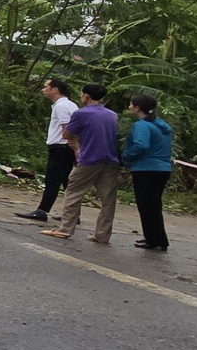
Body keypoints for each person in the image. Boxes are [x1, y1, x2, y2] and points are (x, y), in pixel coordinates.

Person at [43, 83, 122, 244]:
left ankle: (65, 229)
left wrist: (77, 144)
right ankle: (102, 234)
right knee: (108, 199)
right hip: (110, 159)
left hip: (89, 158)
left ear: (86, 96)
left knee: (73, 192)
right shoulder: (112, 115)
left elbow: (66, 133)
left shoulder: (81, 114)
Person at [15, 78, 79, 223]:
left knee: (52, 180)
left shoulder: (60, 106)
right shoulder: (71, 104)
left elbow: (66, 127)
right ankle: (73, 214)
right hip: (67, 147)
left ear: (55, 89)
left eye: (46, 87)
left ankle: (42, 210)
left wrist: (73, 144)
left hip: (61, 147)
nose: (44, 90)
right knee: (67, 181)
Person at [123, 94, 174, 252]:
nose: (129, 106)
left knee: (146, 205)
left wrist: (126, 156)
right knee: (154, 205)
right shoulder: (161, 125)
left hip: (146, 168)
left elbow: (141, 145)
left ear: (138, 108)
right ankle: (157, 237)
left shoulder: (142, 125)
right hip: (162, 168)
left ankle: (153, 239)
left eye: (131, 104)